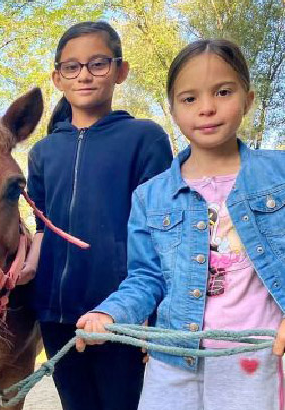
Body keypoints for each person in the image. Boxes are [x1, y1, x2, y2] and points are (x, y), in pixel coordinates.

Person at [76, 39, 285, 410]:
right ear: (172, 110)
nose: (206, 108)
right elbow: (146, 279)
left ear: (248, 100)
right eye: (189, 98)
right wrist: (108, 313)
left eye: (222, 92)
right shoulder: (149, 197)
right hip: (172, 362)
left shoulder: (279, 174)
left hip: (255, 359)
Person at [20, 21, 173, 410]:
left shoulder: (146, 137)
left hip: (122, 312)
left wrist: (152, 315)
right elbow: (42, 229)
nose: (84, 75)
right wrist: (22, 272)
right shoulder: (42, 153)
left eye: (98, 64)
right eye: (71, 67)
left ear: (120, 71)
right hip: (57, 316)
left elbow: (161, 230)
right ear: (57, 78)